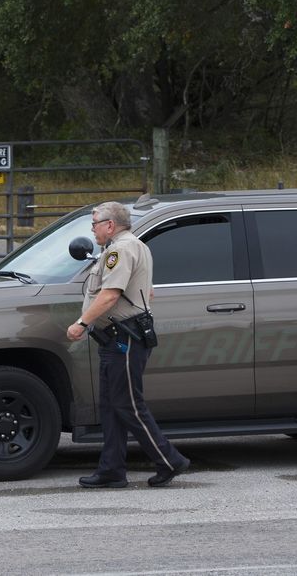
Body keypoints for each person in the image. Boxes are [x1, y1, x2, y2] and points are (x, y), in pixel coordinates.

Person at [66, 201, 190, 488]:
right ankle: (111, 470)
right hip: (117, 337)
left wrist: (82, 323)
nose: (92, 228)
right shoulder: (131, 247)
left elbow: (110, 295)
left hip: (125, 337)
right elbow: (148, 292)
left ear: (110, 225)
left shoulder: (120, 249)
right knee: (111, 406)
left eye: (95, 223)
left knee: (128, 404)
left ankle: (170, 460)